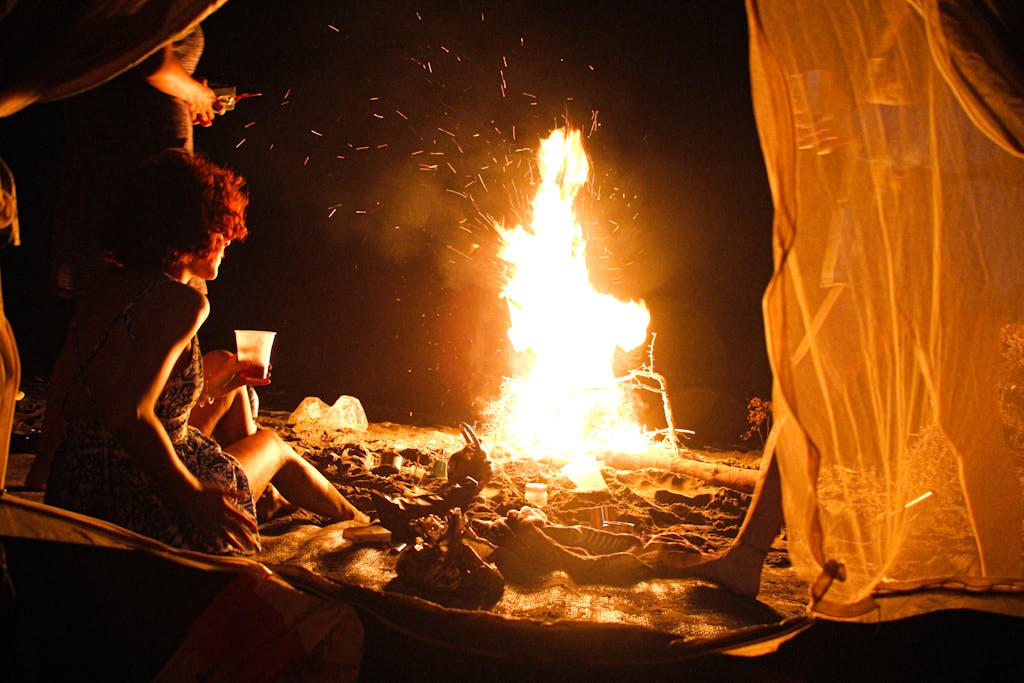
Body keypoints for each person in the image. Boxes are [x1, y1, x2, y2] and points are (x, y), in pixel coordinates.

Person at [39, 149, 367, 554]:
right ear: (197, 229)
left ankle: (268, 502)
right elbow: (131, 413)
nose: (230, 241)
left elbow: (77, 389)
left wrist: (213, 384)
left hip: (78, 485)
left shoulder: (104, 288)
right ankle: (363, 524)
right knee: (274, 445)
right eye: (224, 229)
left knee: (235, 398)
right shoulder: (183, 302)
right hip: (138, 498)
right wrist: (193, 493)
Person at [51, 23, 222, 299]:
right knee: (152, 288)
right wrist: (194, 93)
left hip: (147, 150)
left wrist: (186, 92)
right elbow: (154, 64)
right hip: (138, 157)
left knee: (158, 288)